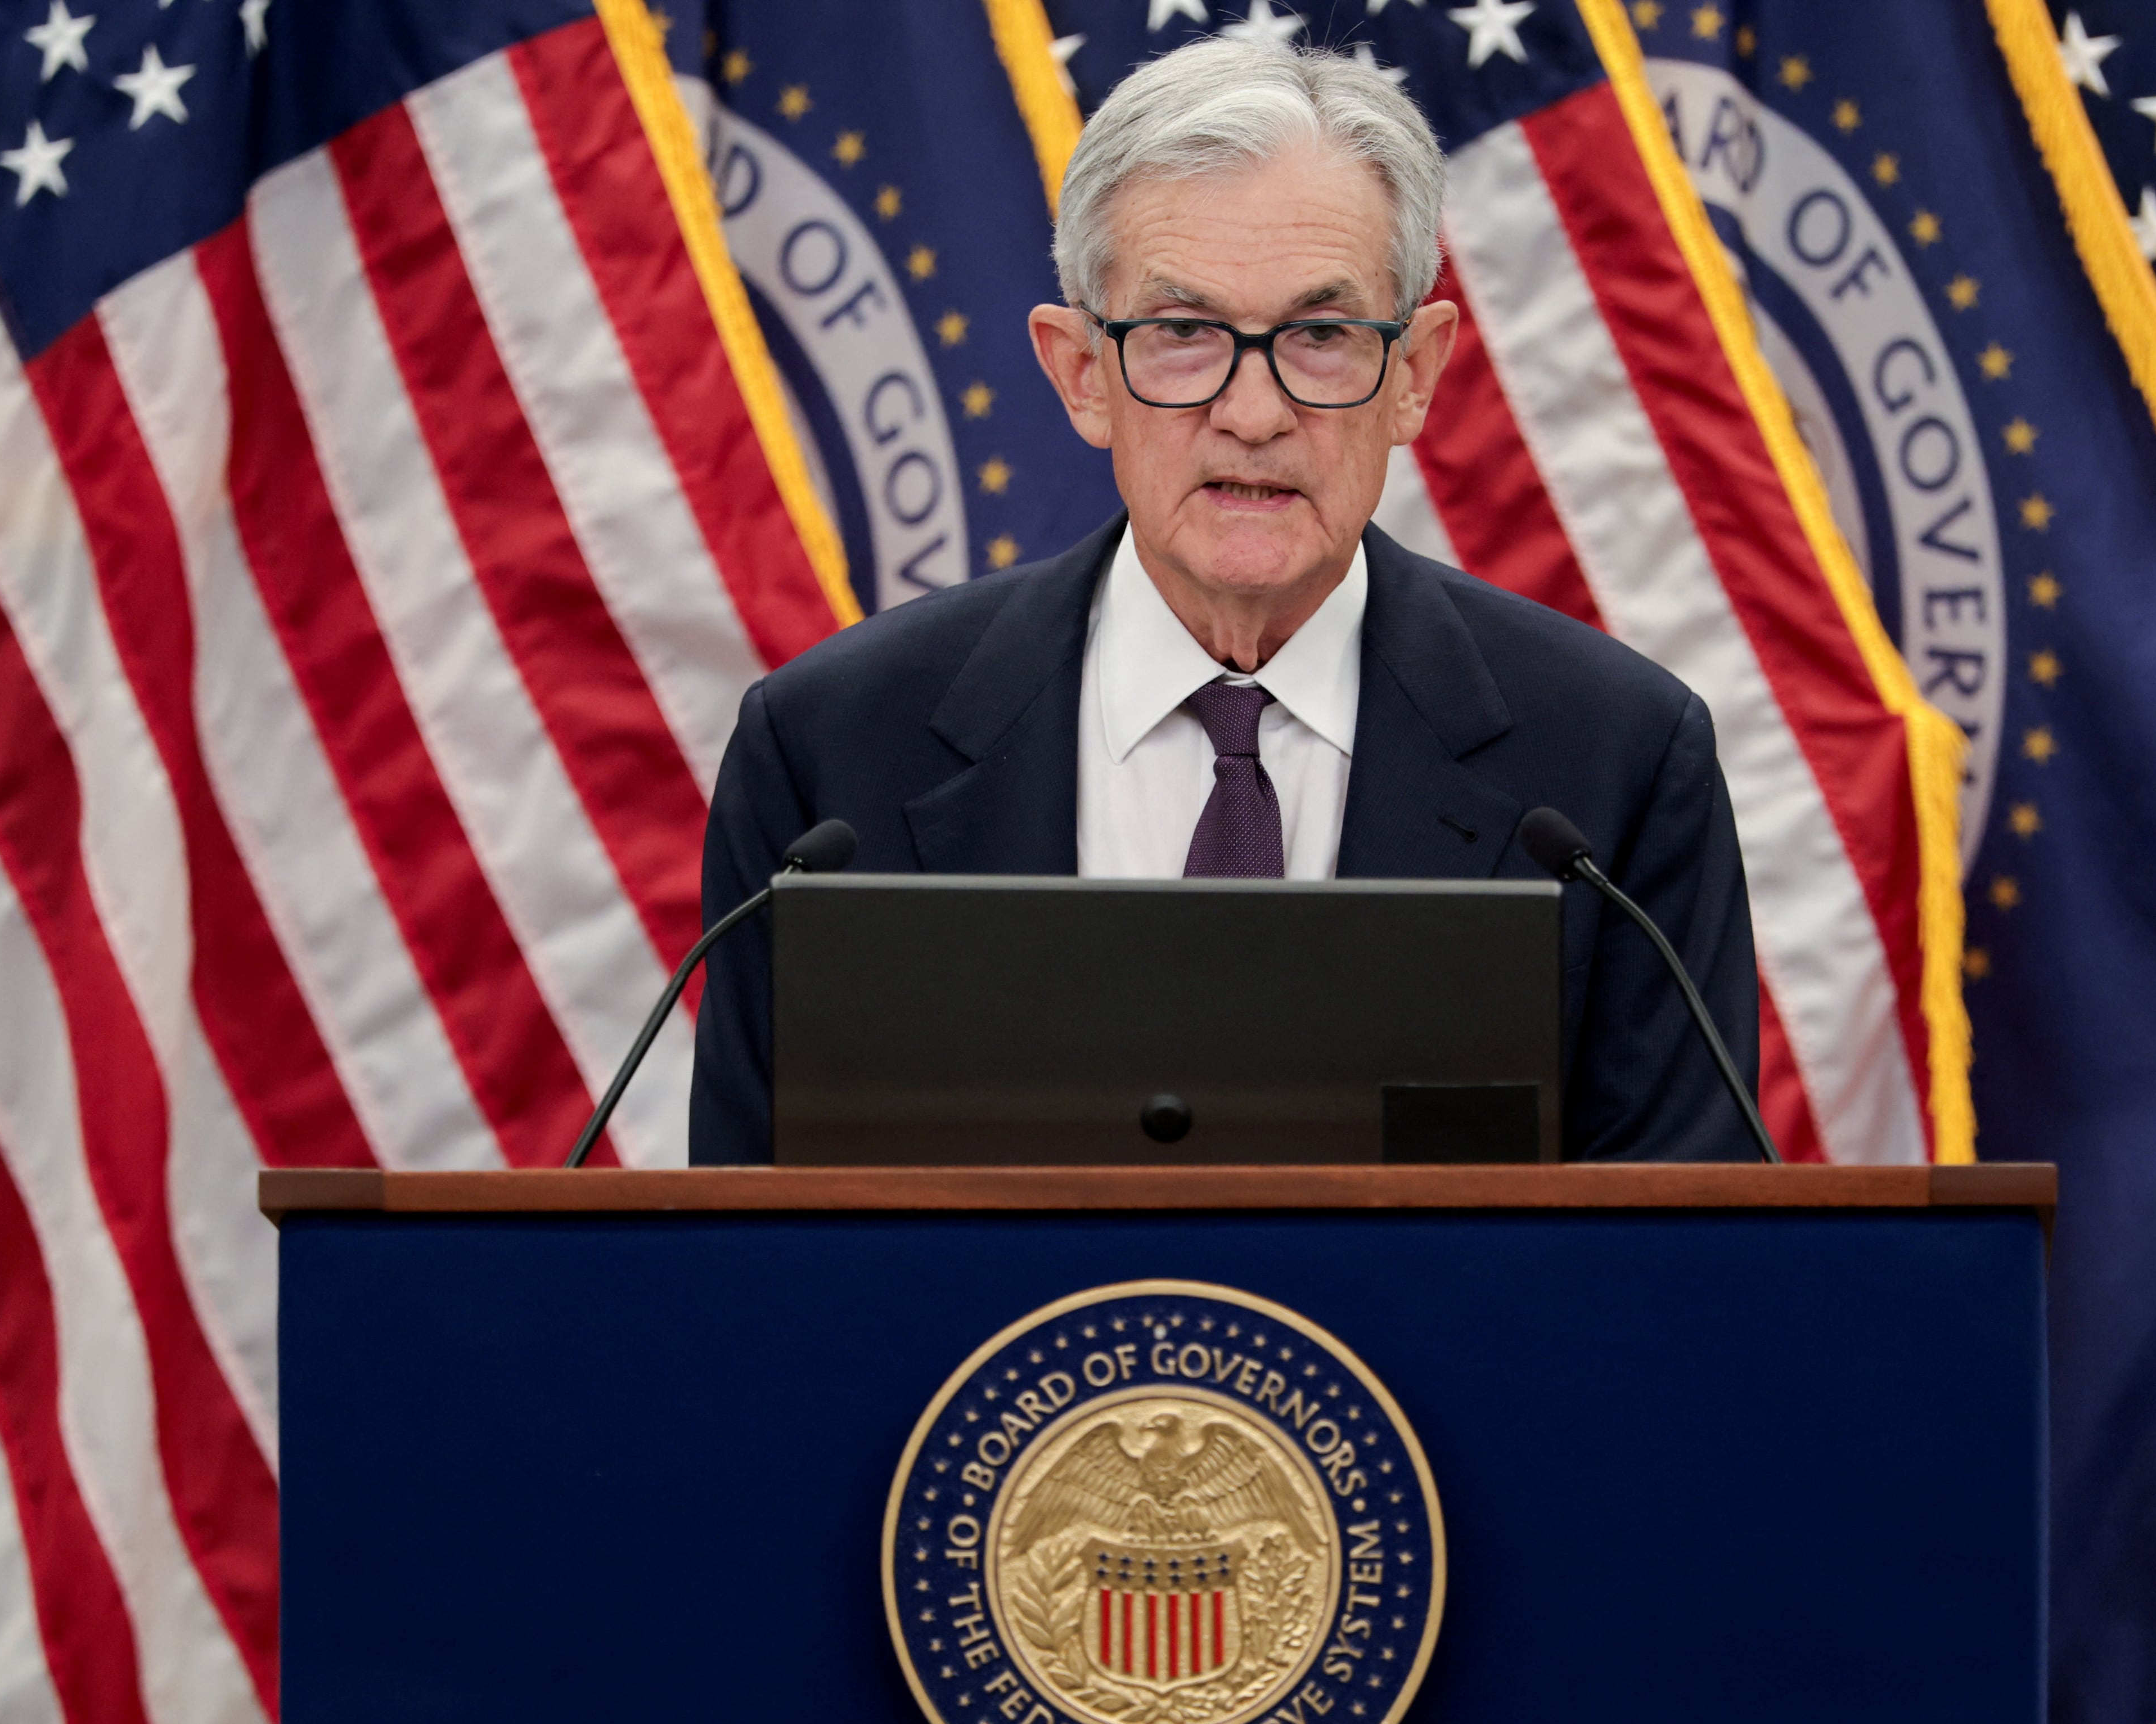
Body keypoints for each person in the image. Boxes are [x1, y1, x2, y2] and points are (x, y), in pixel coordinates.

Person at [689, 37, 1758, 1163]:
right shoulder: (833, 754)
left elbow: (1673, 1245)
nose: (1253, 414)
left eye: (1322, 336)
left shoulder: (1614, 765)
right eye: (1183, 335)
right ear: (1082, 373)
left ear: (1414, 374)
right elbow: (751, 1241)